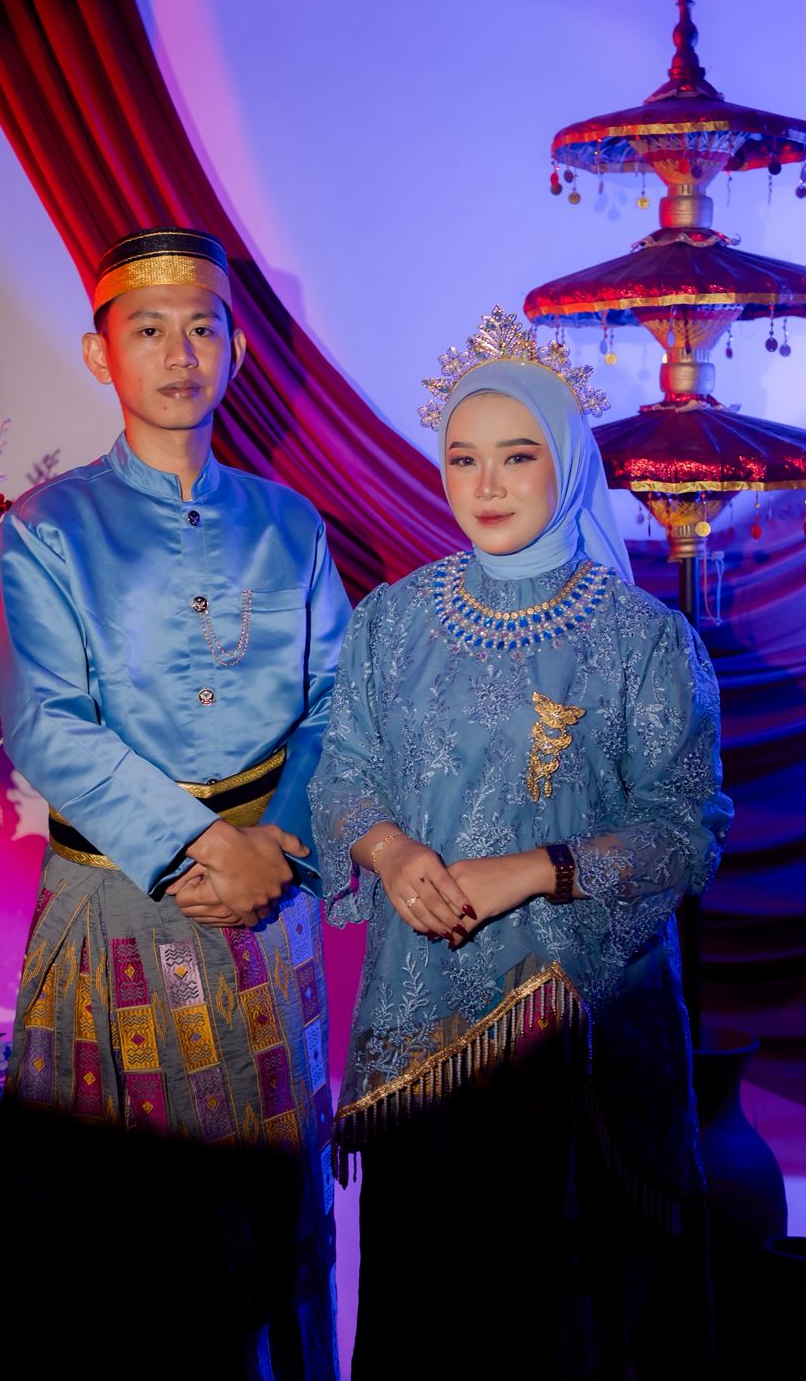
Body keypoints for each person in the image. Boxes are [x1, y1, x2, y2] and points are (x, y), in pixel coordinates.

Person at [309, 310, 732, 1380]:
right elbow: (342, 773)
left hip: (579, 1035)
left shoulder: (642, 639)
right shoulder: (392, 621)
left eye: (517, 456)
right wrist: (390, 851)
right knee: (430, 1312)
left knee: (565, 1326)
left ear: (566, 464)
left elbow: (685, 830)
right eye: (463, 458)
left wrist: (537, 870)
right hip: (423, 1033)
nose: (486, 485)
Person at [0, 228, 350, 1380]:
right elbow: (47, 724)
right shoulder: (46, 528)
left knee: (265, 1225)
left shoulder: (290, 525)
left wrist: (278, 844)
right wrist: (202, 845)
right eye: (148, 330)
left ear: (237, 350)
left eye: (202, 328)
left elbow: (339, 703)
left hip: (269, 908)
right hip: (118, 905)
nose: (179, 354)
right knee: (115, 1239)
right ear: (102, 355)